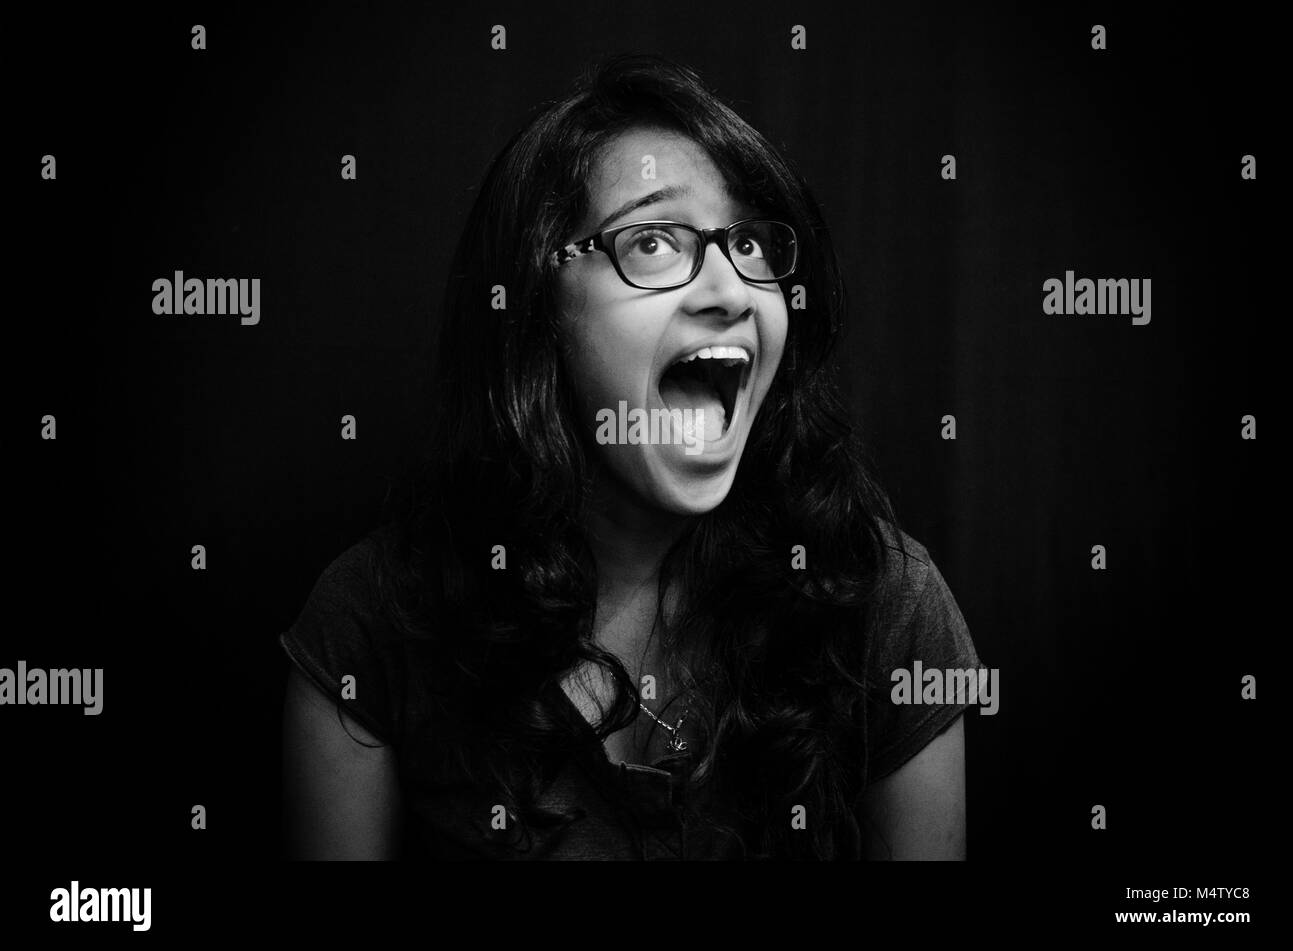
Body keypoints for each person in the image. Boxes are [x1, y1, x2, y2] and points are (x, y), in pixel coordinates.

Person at [281, 52, 982, 860]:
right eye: (653, 240)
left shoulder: (882, 602)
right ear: (536, 309)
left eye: (751, 244)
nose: (730, 290)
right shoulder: (372, 622)